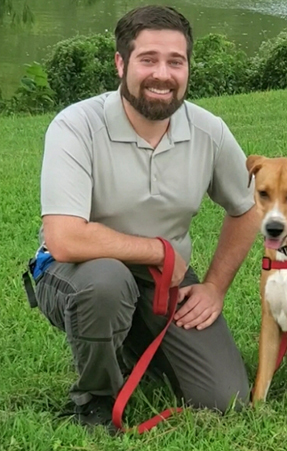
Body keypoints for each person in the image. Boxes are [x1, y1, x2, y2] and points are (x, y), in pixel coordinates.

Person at [31, 4, 259, 432]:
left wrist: (213, 287)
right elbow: (64, 239)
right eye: (148, 59)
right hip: (77, 271)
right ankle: (96, 398)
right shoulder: (75, 126)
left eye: (176, 61)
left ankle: (130, 342)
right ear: (121, 63)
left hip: (164, 280)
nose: (163, 74)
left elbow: (247, 208)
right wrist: (157, 249)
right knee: (106, 284)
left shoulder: (209, 131)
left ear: (189, 67)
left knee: (223, 399)